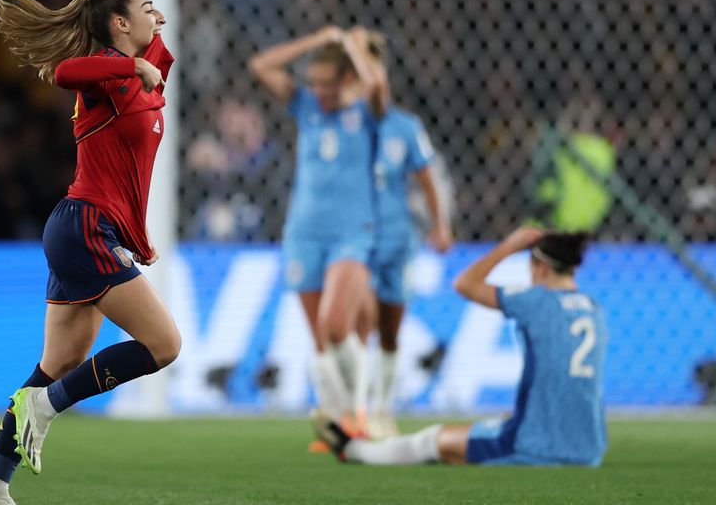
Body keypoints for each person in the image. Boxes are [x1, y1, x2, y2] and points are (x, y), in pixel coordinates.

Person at [0, 0, 181, 505]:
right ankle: (47, 404)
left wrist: (146, 48)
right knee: (163, 344)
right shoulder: (106, 73)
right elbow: (66, 72)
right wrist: (132, 66)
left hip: (81, 229)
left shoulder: (143, 63)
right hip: (87, 226)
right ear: (119, 24)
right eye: (143, 6)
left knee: (59, 363)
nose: (155, 10)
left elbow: (160, 60)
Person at [315, 227, 609, 467]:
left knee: (433, 441)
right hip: (589, 448)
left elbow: (465, 284)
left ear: (541, 268)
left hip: (538, 446)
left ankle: (353, 450)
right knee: (483, 430)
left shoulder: (533, 301)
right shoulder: (593, 309)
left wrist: (510, 244)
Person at [248, 26, 383, 440]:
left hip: (352, 232)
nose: (319, 90)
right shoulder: (304, 105)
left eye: (327, 82)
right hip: (304, 233)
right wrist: (316, 41)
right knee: (322, 338)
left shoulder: (368, 111)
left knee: (337, 323)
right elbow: (261, 65)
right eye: (314, 82)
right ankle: (340, 423)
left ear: (346, 79)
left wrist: (352, 47)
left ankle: (357, 412)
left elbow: (376, 83)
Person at [360, 30, 453, 438]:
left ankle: (382, 408)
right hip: (355, 239)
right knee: (355, 325)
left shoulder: (405, 127)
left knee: (390, 329)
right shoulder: (343, 125)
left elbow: (428, 178)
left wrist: (441, 224)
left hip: (398, 239)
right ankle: (354, 411)